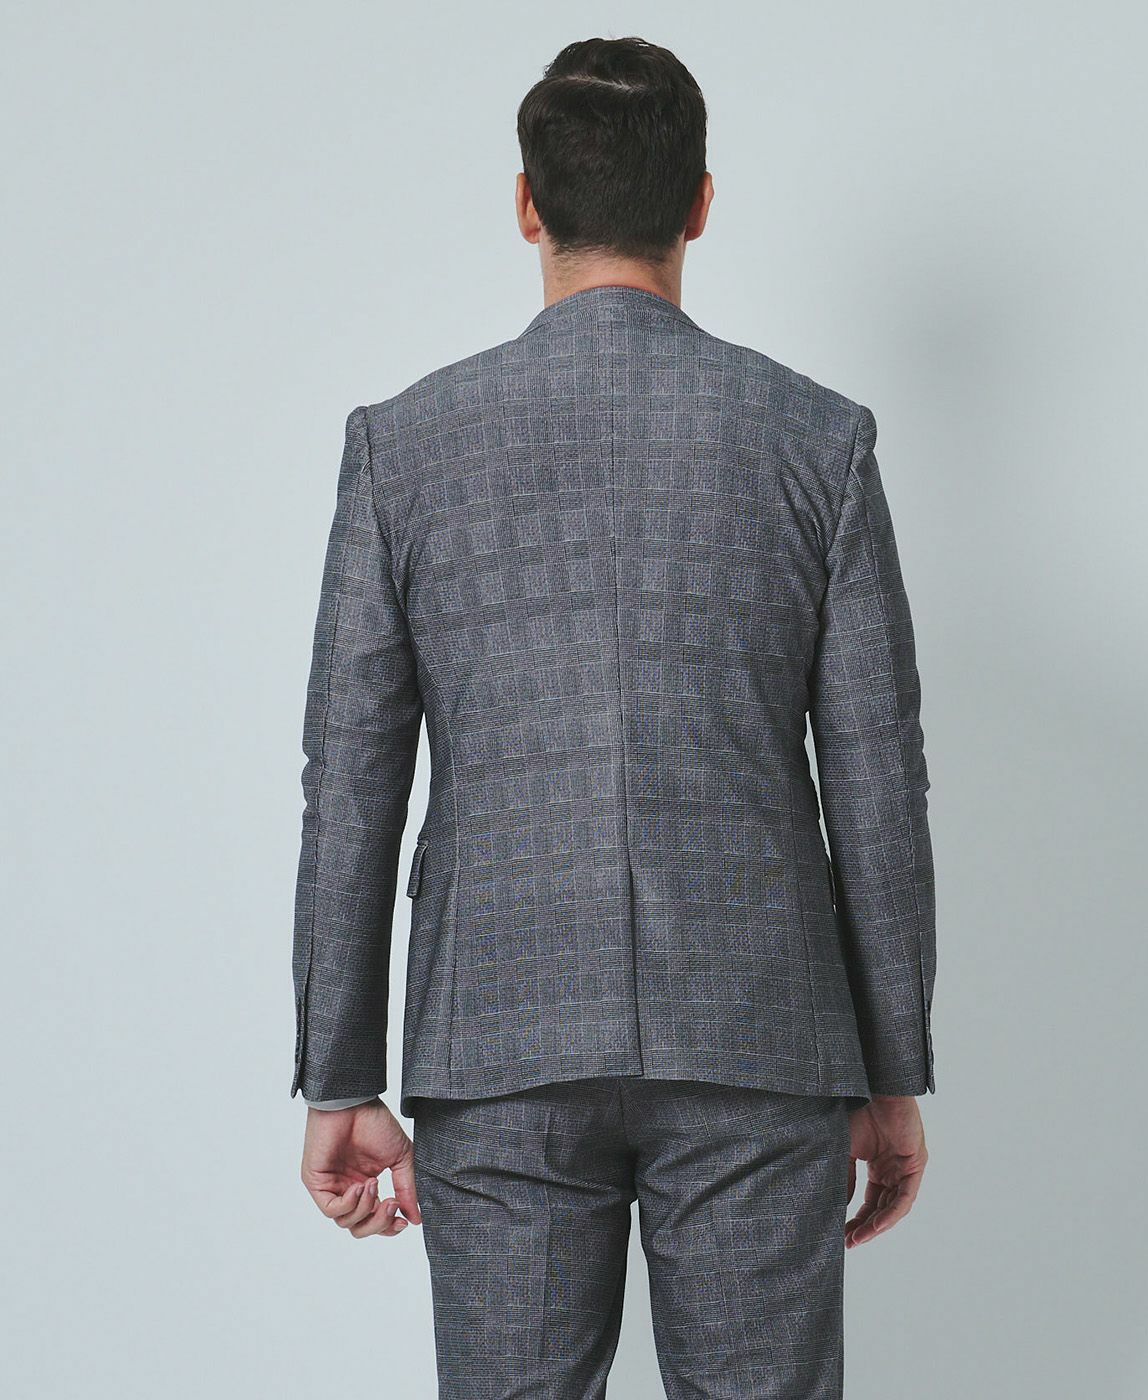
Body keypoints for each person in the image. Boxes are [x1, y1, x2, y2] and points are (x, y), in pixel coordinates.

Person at [291, 34, 936, 1399]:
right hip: (757, 1030)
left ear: (527, 205)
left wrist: (338, 1076)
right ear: (699, 202)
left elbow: (349, 784)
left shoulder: (406, 446)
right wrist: (893, 1072)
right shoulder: (815, 440)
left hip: (498, 1032)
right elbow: (879, 785)